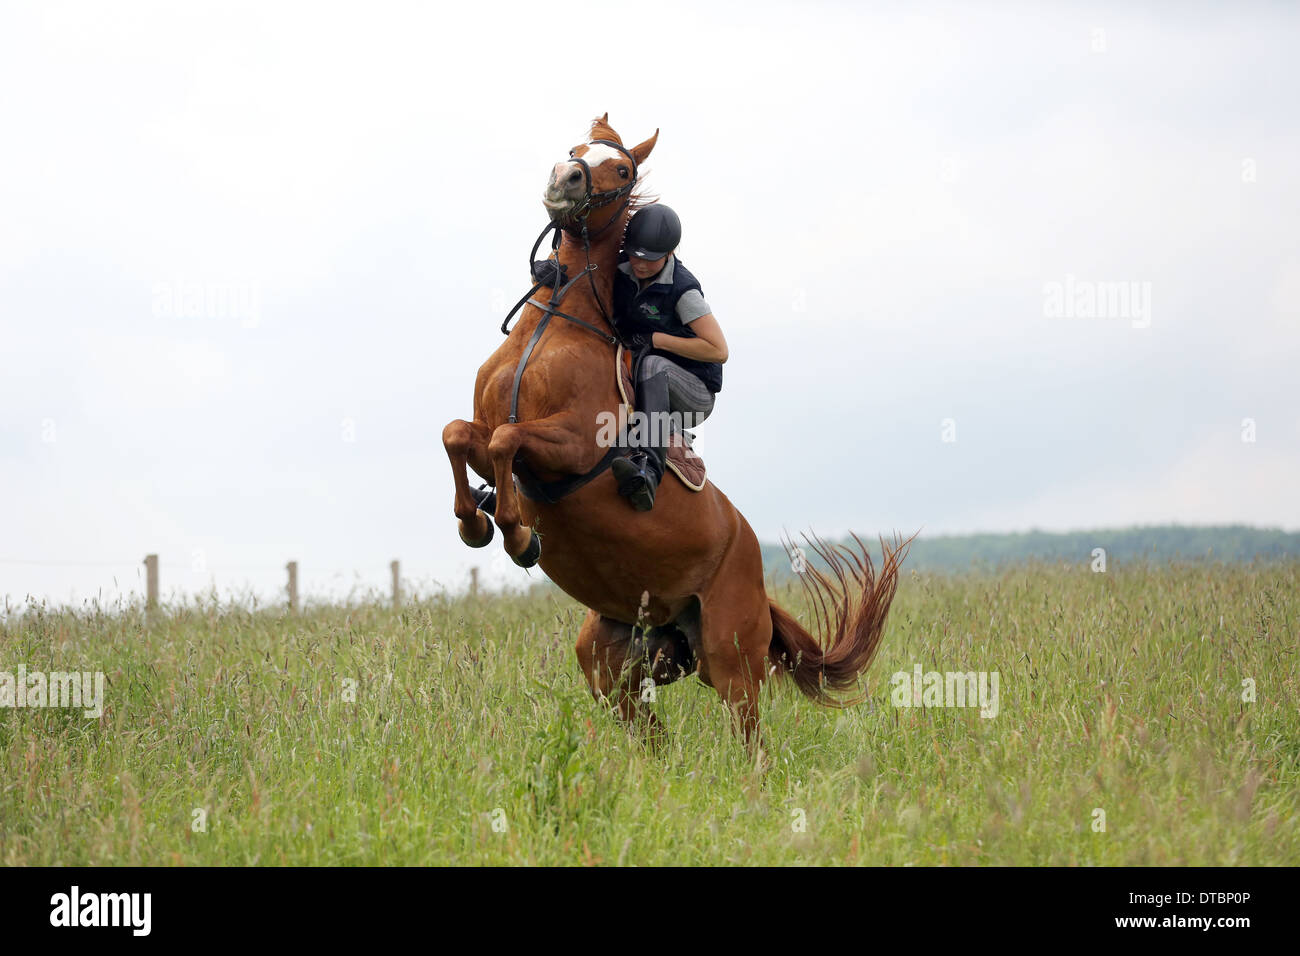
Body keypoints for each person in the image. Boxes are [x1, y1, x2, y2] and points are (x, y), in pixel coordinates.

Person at [607, 205, 729, 511]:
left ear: (670, 253)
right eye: (634, 255)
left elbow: (718, 350)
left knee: (652, 363)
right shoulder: (622, 267)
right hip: (648, 381)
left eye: (649, 259)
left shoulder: (683, 290)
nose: (639, 264)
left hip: (694, 393)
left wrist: (656, 340)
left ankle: (648, 472)